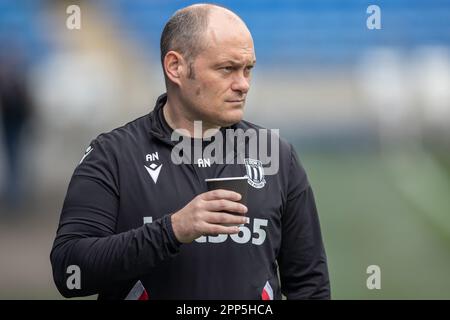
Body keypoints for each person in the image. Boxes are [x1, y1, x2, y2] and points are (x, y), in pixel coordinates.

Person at [50, 3, 330, 300]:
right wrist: (172, 230)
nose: (243, 84)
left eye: (248, 69)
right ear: (176, 67)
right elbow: (70, 272)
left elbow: (310, 285)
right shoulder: (113, 155)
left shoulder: (277, 157)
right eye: (227, 69)